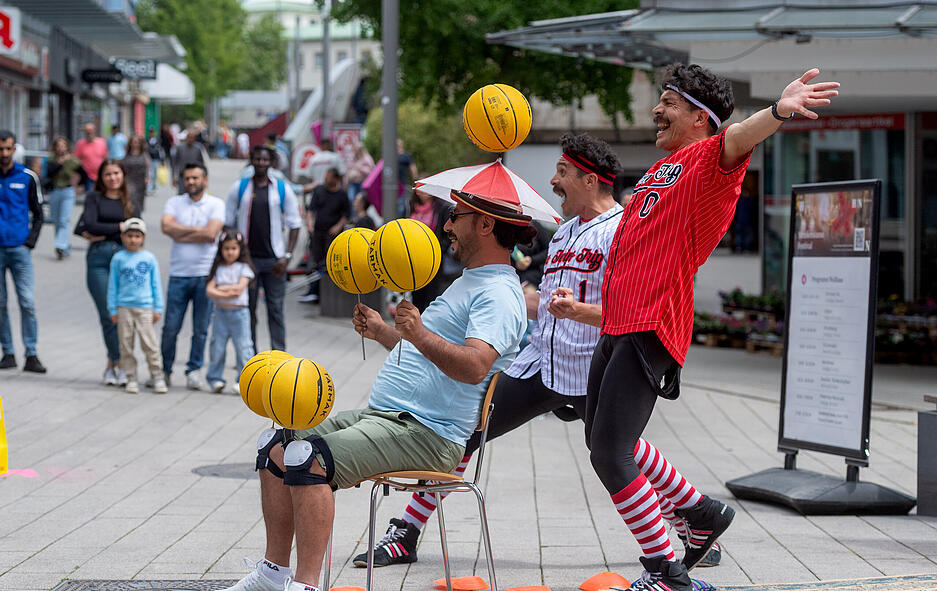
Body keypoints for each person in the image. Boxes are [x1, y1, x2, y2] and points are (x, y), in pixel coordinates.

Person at [355, 133, 719, 571]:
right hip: (541, 365)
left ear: (591, 180)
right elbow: (548, 299)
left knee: (622, 452)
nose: (553, 181)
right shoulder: (564, 232)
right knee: (469, 428)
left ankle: (695, 517)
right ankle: (407, 533)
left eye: (562, 172)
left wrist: (578, 310)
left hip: (594, 366)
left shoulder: (623, 231)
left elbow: (634, 310)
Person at [589, 65, 839, 591]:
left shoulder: (708, 161)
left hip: (650, 320)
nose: (656, 110)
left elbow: (736, 138)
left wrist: (777, 109)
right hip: (617, 323)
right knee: (607, 440)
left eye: (668, 103)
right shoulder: (660, 173)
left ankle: (669, 573)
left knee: (611, 454)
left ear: (699, 118)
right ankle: (701, 514)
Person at [221, 188, 535, 591]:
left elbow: (474, 367)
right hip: (389, 419)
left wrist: (419, 333)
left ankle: (306, 585)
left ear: (486, 224)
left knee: (306, 458)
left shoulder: (499, 294)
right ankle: (272, 575)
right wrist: (386, 332)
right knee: (276, 447)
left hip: (427, 433)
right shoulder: (471, 282)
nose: (447, 225)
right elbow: (428, 354)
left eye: (456, 216)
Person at [225, 146, 302, 352]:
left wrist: (287, 256)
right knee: (247, 310)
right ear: (251, 161)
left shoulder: (281, 189)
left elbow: (295, 224)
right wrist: (233, 254)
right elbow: (227, 221)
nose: (261, 163)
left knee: (275, 310)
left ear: (272, 162)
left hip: (274, 261)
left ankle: (279, 356)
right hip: (247, 261)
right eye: (257, 159)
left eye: (265, 160)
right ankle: (250, 357)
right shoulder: (240, 188)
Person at [160, 163, 226, 391]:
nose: (191, 182)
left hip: (205, 276)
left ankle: (193, 370)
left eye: (195, 178)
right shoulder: (174, 202)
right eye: (187, 178)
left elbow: (211, 233)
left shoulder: (216, 204)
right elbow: (165, 227)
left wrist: (181, 231)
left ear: (205, 180)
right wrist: (198, 232)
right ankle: (165, 370)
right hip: (179, 275)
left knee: (201, 329)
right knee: (170, 327)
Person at [80, 159, 140, 385]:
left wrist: (104, 232)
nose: (112, 178)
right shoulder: (93, 198)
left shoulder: (130, 201)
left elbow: (138, 230)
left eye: (116, 173)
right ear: (101, 177)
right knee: (108, 314)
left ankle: (113, 365)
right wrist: (119, 228)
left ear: (123, 175)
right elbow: (88, 225)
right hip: (98, 260)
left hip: (126, 261)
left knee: (124, 316)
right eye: (108, 174)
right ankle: (119, 362)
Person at [0, 130, 46, 373]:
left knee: (27, 301)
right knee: (0, 303)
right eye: (0, 149)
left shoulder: (27, 176)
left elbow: (39, 213)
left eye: (8, 149)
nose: (4, 154)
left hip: (19, 249)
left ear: (14, 149)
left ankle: (31, 353)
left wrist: (29, 242)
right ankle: (7, 352)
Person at [106, 218, 168, 394]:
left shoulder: (149, 258)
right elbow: (113, 285)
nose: (133, 240)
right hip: (124, 307)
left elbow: (156, 283)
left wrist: (158, 308)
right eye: (130, 236)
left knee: (149, 344)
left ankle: (157, 375)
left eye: (137, 236)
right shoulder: (118, 259)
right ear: (123, 237)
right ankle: (131, 377)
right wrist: (112, 308)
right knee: (126, 344)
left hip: (145, 307)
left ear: (143, 238)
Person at [205, 227, 256, 394]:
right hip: (220, 313)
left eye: (233, 248)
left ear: (240, 249)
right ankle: (215, 378)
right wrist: (227, 291)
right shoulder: (217, 268)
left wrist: (221, 289)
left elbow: (238, 291)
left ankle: (244, 380)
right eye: (226, 248)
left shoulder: (244, 268)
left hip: (239, 314)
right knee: (217, 347)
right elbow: (209, 290)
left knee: (243, 347)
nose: (230, 252)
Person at [297, 168, 349, 304]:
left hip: (332, 235)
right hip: (318, 232)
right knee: (315, 261)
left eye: (329, 177)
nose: (326, 179)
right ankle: (313, 290)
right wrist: (309, 224)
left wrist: (337, 226)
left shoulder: (342, 194)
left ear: (336, 179)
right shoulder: (319, 190)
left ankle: (323, 292)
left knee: (328, 262)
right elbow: (311, 210)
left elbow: (346, 214)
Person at [408, 188, 455, 312]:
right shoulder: (410, 207)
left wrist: (441, 249)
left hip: (433, 257)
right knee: (416, 293)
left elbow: (446, 232)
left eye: (426, 188)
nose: (423, 192)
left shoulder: (441, 208)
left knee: (431, 293)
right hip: (413, 257)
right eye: (420, 188)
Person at [44, 136, 84, 260]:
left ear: (67, 147)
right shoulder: (51, 160)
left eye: (63, 145)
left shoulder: (73, 160)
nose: (61, 148)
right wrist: (60, 163)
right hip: (55, 191)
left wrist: (79, 186)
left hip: (68, 191)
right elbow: (49, 174)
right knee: (56, 221)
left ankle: (60, 244)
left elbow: (83, 174)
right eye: (58, 145)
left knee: (64, 220)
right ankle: (63, 247)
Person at [74, 123, 108, 193]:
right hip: (88, 177)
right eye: (86, 131)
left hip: (100, 176)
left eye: (90, 130)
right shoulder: (80, 143)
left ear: (94, 131)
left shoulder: (101, 142)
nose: (89, 132)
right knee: (91, 197)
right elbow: (76, 160)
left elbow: (105, 158)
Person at [122, 135, 150, 213]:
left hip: (140, 180)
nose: (135, 144)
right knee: (131, 195)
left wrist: (147, 177)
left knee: (139, 198)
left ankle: (138, 213)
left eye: (137, 142)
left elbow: (147, 166)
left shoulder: (144, 155)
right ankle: (130, 212)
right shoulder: (127, 154)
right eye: (133, 142)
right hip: (129, 178)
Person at [396, 139, 418, 218]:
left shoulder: (405, 156)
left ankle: (400, 219)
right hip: (393, 185)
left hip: (402, 183)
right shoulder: (392, 155)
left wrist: (415, 178)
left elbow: (412, 167)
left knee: (401, 205)